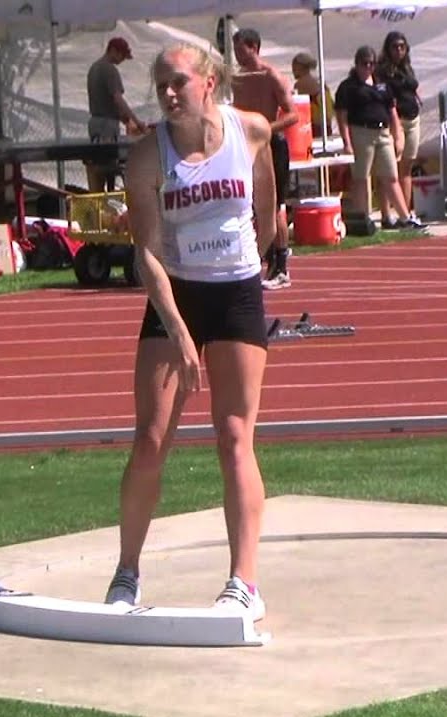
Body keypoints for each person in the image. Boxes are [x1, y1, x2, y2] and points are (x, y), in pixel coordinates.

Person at [104, 41, 278, 622]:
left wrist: (258, 255)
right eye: (160, 85)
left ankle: (243, 583)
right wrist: (179, 332)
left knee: (234, 437)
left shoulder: (250, 131)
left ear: (209, 80)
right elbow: (146, 255)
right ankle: (127, 571)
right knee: (151, 438)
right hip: (175, 292)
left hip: (235, 291)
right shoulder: (147, 156)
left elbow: (267, 206)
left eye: (178, 81)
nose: (168, 93)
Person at [230, 28, 297, 291]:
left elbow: (292, 114)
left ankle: (281, 266)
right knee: (252, 204)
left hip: (270, 144)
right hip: (246, 146)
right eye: (234, 50)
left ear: (254, 47)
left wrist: (266, 128)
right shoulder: (237, 77)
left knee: (275, 204)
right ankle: (262, 259)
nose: (237, 55)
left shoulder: (271, 76)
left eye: (241, 50)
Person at [334, 46, 426, 232]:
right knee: (361, 178)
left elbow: (392, 111)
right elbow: (342, 116)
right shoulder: (348, 86)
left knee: (391, 176)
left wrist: (397, 134)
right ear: (357, 64)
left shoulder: (382, 84)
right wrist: (347, 142)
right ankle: (363, 219)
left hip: (383, 132)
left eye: (371, 63)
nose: (368, 67)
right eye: (364, 64)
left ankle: (405, 217)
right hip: (361, 132)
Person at [376, 31, 425, 225]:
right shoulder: (382, 72)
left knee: (407, 167)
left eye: (402, 46)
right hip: (395, 121)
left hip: (412, 120)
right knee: (389, 170)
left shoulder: (407, 68)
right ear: (388, 49)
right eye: (395, 47)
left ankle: (406, 212)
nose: (398, 50)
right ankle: (386, 214)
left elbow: (412, 87)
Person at [86, 37, 146, 192]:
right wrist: (136, 121)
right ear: (113, 50)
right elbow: (117, 98)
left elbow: (103, 100)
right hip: (107, 125)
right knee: (110, 166)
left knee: (99, 167)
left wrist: (123, 117)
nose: (122, 60)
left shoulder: (94, 68)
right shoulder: (109, 70)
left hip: (95, 123)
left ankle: (100, 195)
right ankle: (111, 196)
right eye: (122, 55)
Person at [291, 52, 335, 139]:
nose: (293, 70)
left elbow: (297, 107)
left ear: (300, 67)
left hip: (315, 126)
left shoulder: (301, 84)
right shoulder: (319, 80)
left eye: (294, 67)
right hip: (326, 124)